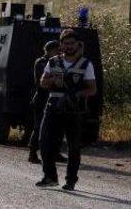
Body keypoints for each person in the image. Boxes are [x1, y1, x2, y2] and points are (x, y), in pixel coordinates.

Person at [36, 29, 97, 190]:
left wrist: (76, 94)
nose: (68, 46)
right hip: (53, 107)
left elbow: (92, 89)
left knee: (73, 146)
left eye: (71, 43)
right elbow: (42, 82)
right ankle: (49, 176)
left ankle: (70, 180)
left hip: (73, 109)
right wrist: (51, 81)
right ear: (61, 44)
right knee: (44, 142)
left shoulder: (85, 64)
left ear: (78, 44)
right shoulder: (53, 62)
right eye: (65, 43)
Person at [28, 40, 60, 164]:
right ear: (51, 50)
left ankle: (54, 153)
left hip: (52, 98)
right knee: (38, 127)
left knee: (55, 128)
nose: (59, 52)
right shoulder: (41, 62)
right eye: (57, 49)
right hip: (41, 98)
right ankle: (32, 152)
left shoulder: (56, 62)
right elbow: (42, 81)